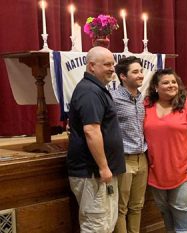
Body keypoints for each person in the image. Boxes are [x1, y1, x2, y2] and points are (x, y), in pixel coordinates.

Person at [67, 47, 126, 233]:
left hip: (99, 173)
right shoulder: (90, 91)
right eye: (107, 64)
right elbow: (91, 130)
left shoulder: (96, 89)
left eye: (113, 64)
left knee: (106, 223)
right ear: (91, 66)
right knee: (96, 226)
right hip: (93, 173)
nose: (112, 68)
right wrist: (103, 166)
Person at [144, 68, 187, 233]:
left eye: (174, 82)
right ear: (156, 87)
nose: (171, 85)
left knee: (180, 207)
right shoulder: (147, 105)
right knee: (164, 208)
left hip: (183, 168)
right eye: (166, 82)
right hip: (156, 170)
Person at [111, 56, 148, 233]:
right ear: (123, 76)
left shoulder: (143, 99)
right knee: (120, 208)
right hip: (123, 160)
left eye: (141, 71)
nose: (140, 75)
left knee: (137, 206)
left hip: (142, 159)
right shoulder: (112, 98)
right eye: (135, 72)